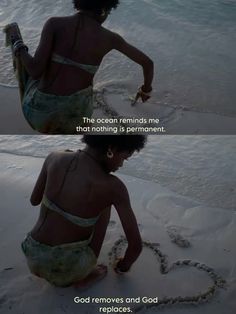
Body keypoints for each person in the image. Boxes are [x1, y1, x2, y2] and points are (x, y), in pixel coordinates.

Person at [5, 0, 154, 134]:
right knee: (86, 85)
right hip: (77, 118)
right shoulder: (111, 38)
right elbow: (148, 63)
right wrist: (145, 90)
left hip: (40, 116)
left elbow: (35, 71)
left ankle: (14, 37)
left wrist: (18, 45)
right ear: (104, 9)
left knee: (30, 68)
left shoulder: (54, 24)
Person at [21, 135, 146, 287]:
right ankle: (86, 274)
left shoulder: (54, 157)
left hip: (32, 254)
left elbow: (34, 200)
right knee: (105, 202)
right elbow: (136, 246)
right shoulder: (113, 186)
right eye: (124, 158)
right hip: (68, 270)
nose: (121, 165)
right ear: (111, 149)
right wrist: (123, 267)